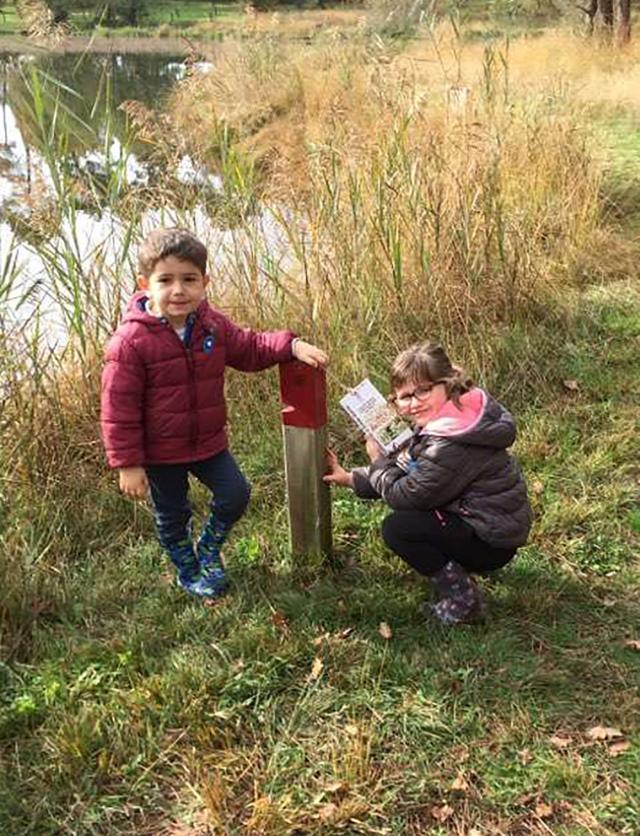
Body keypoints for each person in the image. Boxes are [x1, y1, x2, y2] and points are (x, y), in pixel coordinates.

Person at [101, 227, 327, 600]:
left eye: (189, 279)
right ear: (145, 284)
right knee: (172, 513)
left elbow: (250, 348)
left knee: (235, 493)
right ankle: (188, 569)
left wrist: (292, 345)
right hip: (160, 453)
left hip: (208, 441)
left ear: (204, 281)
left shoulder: (211, 324)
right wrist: (128, 463)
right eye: (166, 280)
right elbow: (117, 409)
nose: (178, 290)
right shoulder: (130, 342)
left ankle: (209, 547)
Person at [324, 343, 532, 625]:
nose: (413, 402)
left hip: (491, 540)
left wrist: (377, 461)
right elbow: (411, 468)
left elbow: (408, 495)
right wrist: (351, 478)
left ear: (447, 383)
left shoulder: (449, 441)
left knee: (399, 529)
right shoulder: (454, 416)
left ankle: (464, 601)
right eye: (404, 397)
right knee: (411, 522)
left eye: (423, 390)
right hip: (492, 524)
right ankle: (459, 568)